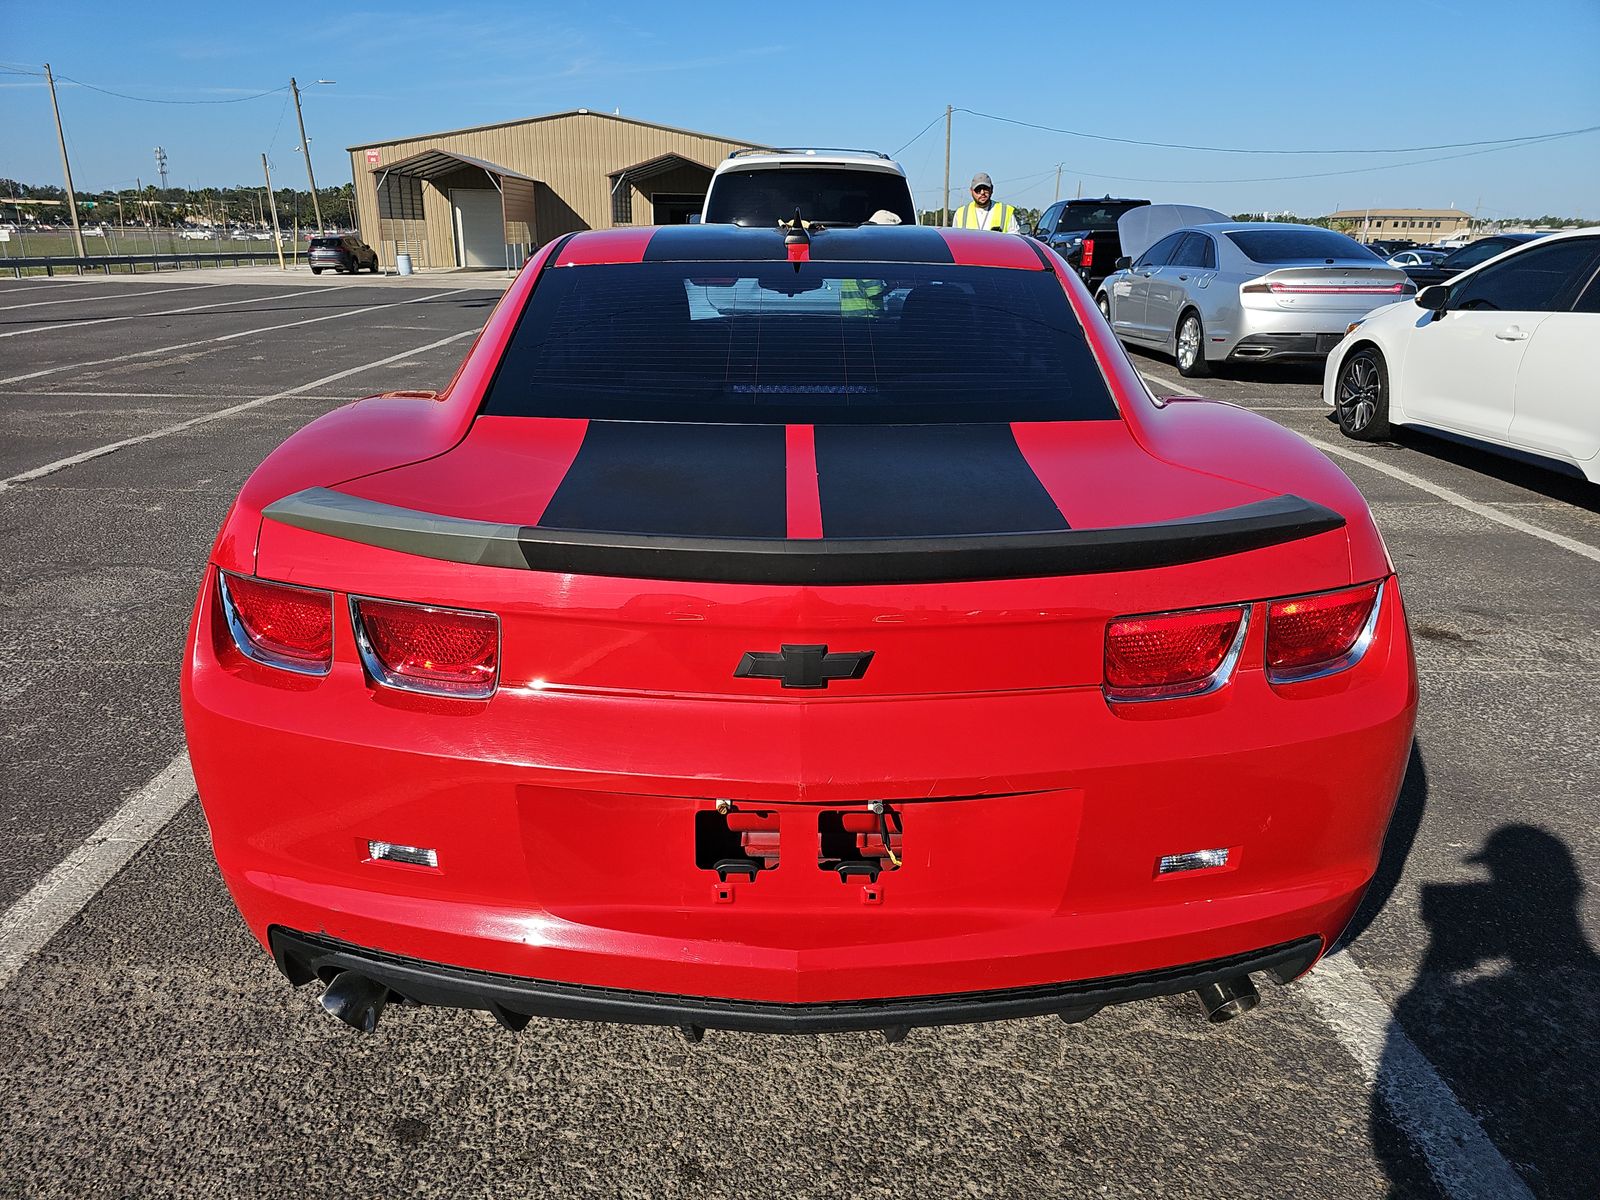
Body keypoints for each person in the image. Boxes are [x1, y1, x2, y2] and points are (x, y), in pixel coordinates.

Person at [949, 173, 1018, 233]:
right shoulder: (961, 213)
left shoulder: (1005, 211)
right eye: (978, 189)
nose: (982, 193)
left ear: (992, 189)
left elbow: (1015, 240)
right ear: (971, 191)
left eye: (986, 188)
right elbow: (955, 239)